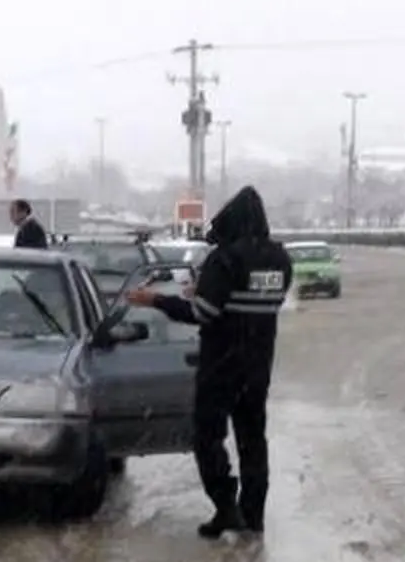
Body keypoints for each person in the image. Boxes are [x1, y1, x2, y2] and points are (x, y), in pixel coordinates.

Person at [125, 186, 292, 538]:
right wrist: (209, 293)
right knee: (252, 441)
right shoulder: (279, 259)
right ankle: (253, 515)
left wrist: (155, 300)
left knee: (207, 438)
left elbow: (203, 313)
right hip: (258, 365)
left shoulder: (224, 258)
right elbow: (254, 301)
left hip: (222, 364)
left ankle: (225, 506)